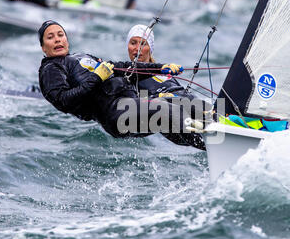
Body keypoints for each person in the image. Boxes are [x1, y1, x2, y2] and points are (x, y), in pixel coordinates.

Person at [38, 20, 204, 146]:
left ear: (67, 38)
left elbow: (123, 68)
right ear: (43, 47)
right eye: (50, 37)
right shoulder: (51, 68)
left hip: (131, 105)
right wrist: (96, 77)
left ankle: (213, 133)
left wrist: (161, 68)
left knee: (176, 103)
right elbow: (63, 100)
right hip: (115, 115)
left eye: (60, 35)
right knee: (165, 108)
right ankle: (208, 142)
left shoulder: (80, 56)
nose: (57, 40)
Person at [126, 24, 210, 150]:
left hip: (185, 102)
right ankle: (212, 147)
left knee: (213, 112)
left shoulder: (164, 70)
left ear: (150, 48)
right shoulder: (127, 75)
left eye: (143, 44)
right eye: (133, 43)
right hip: (167, 115)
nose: (137, 49)